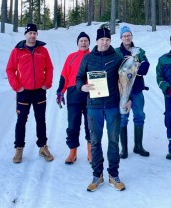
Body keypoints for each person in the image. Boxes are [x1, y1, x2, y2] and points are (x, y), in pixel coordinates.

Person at [76, 26, 131, 192]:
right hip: (94, 106)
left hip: (113, 105)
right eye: (102, 39)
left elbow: (126, 79)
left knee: (114, 140)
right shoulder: (88, 58)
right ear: (97, 40)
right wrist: (82, 87)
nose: (105, 42)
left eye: (107, 40)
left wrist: (128, 99)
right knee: (95, 141)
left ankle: (113, 174)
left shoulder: (117, 57)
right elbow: (79, 78)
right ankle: (97, 175)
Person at [6, 23, 54, 164]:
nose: (32, 35)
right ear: (25, 34)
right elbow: (10, 69)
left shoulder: (42, 51)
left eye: (34, 33)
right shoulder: (17, 51)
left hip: (39, 91)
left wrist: (47, 83)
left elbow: (49, 68)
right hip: (23, 92)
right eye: (30, 33)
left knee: (41, 120)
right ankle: (19, 148)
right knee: (21, 121)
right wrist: (17, 86)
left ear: (37, 35)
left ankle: (43, 147)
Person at [56, 31, 91, 164]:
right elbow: (64, 75)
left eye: (86, 41)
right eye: (81, 40)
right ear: (77, 43)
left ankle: (90, 152)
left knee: (90, 125)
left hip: (90, 94)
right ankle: (72, 152)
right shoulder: (71, 57)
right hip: (73, 94)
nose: (83, 43)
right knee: (73, 125)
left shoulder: (93, 56)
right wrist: (60, 90)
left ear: (89, 43)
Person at [117, 25, 150, 158]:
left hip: (136, 89)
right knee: (123, 117)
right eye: (124, 35)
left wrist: (136, 68)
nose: (127, 37)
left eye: (129, 35)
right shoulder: (117, 52)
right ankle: (124, 149)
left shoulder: (138, 51)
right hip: (123, 90)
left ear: (131, 36)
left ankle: (138, 146)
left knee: (139, 116)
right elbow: (116, 71)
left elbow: (145, 68)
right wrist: (136, 67)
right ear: (121, 37)